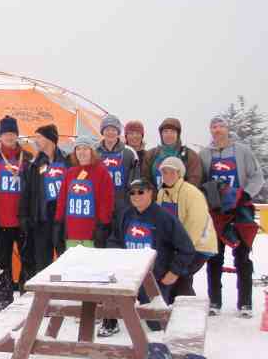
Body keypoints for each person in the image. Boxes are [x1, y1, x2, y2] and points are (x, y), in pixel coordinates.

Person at [201, 115, 265, 317]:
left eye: (220, 126)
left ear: (227, 129)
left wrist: (245, 194)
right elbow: (200, 179)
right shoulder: (204, 154)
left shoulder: (242, 151)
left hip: (240, 208)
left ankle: (245, 302)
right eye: (214, 127)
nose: (217, 130)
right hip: (216, 211)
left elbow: (257, 175)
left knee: (243, 256)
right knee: (214, 256)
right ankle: (214, 301)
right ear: (210, 131)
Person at [109, 178, 195, 305]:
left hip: (156, 280)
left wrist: (174, 272)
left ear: (150, 193)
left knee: (154, 322)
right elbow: (114, 241)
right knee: (128, 319)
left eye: (140, 192)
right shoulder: (125, 215)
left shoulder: (164, 217)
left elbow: (187, 248)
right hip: (130, 278)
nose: (136, 196)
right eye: (132, 193)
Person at [0, 116, 32, 311]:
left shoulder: (27, 157)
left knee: (27, 259)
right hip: (1, 221)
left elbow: (34, 187)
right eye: (6, 134)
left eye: (12, 133)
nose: (10, 137)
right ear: (0, 136)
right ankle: (3, 298)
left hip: (23, 220)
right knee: (2, 260)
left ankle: (28, 299)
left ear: (17, 135)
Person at [156, 157, 217, 302]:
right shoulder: (162, 193)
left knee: (180, 275)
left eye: (172, 172)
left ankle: (188, 313)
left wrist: (182, 249)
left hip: (198, 245)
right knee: (170, 275)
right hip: (178, 246)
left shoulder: (191, 193)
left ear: (180, 174)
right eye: (164, 172)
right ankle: (171, 308)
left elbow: (196, 224)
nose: (168, 175)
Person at [19, 123, 68, 274]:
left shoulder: (68, 161)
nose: (35, 141)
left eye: (39, 137)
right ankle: (43, 293)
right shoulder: (34, 165)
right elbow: (26, 193)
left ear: (50, 139)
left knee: (65, 257)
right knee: (42, 260)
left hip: (64, 219)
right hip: (42, 218)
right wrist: (24, 217)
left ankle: (63, 291)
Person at [55, 135, 115, 249]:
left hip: (92, 232)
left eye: (85, 148)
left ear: (92, 151)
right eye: (78, 149)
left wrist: (102, 225)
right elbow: (62, 200)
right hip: (71, 232)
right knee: (73, 265)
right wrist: (58, 223)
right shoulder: (70, 173)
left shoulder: (102, 172)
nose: (81, 152)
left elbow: (107, 201)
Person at [95, 114, 139, 239]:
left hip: (122, 204)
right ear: (103, 131)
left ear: (118, 132)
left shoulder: (129, 152)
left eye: (113, 129)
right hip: (101, 204)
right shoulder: (95, 152)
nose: (110, 132)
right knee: (101, 239)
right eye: (107, 129)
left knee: (120, 239)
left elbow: (135, 180)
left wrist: (131, 203)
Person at [141, 118, 203, 189]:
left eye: (172, 131)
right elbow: (145, 179)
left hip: (182, 198)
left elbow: (194, 179)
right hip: (157, 198)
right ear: (161, 134)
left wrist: (179, 195)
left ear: (178, 134)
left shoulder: (189, 155)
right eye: (165, 131)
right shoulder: (151, 154)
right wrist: (156, 196)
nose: (169, 135)